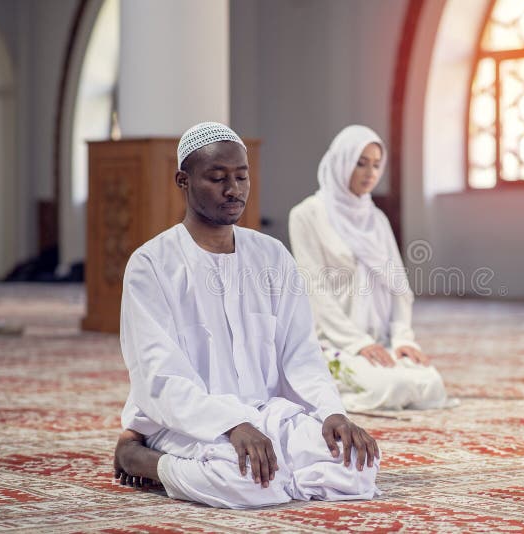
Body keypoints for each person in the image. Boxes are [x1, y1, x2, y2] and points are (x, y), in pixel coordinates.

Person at [112, 122, 380, 509]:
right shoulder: (152, 264)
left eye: (241, 176)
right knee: (248, 484)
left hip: (265, 413)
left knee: (357, 467)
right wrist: (231, 425)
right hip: (186, 422)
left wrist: (331, 414)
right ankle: (143, 458)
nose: (233, 189)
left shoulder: (271, 256)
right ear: (183, 181)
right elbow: (159, 375)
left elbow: (300, 354)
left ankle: (282, 473)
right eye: (217, 178)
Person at [288, 125, 454, 412]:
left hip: (381, 340)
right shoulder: (306, 215)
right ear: (341, 162)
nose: (370, 173)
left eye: (377, 165)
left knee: (430, 385)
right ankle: (323, 389)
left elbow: (399, 287)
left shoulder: (375, 219)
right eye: (360, 163)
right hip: (335, 340)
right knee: (392, 388)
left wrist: (403, 338)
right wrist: (357, 343)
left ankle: (381, 365)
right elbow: (314, 291)